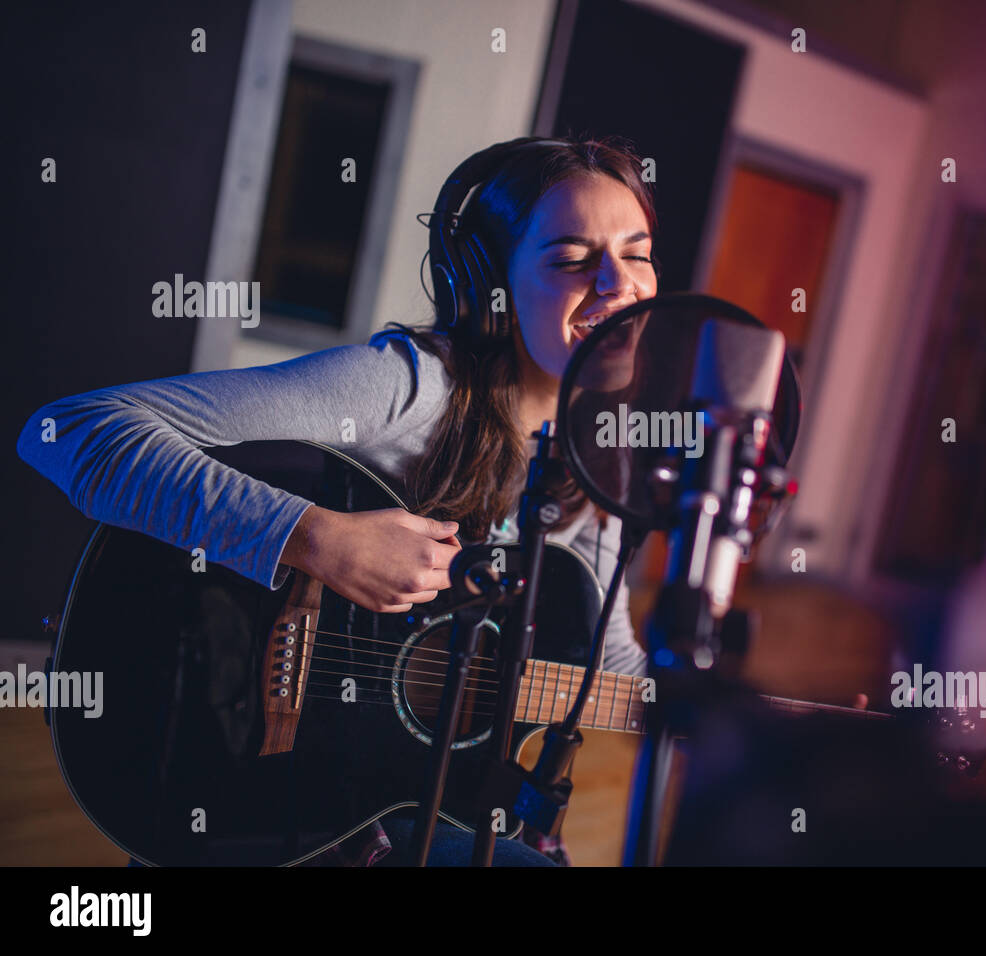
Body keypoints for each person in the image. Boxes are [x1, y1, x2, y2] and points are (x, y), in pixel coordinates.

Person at [17, 135, 662, 866]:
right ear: (493, 284)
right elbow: (64, 431)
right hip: (257, 771)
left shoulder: (604, 454)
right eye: (573, 259)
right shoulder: (413, 387)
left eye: (637, 253)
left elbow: (611, 671)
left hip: (383, 790)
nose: (617, 284)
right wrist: (316, 537)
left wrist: (731, 705)